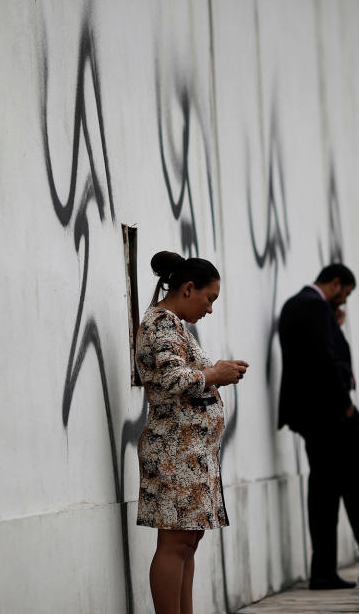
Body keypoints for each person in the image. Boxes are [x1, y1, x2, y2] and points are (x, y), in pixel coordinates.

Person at [278, 264, 359, 590]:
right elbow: (324, 360)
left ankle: (324, 571)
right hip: (333, 416)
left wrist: (334, 326)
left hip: (313, 418)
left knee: (324, 494)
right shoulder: (314, 306)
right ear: (336, 283)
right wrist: (345, 405)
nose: (346, 301)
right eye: (346, 293)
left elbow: (313, 354)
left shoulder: (296, 305)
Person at [135, 251, 248, 614]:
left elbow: (182, 376)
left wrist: (215, 372)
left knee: (187, 542)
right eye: (209, 298)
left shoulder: (174, 323)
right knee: (175, 544)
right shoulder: (162, 323)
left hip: (190, 453)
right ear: (188, 288)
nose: (210, 309)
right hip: (174, 451)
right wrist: (215, 374)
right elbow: (170, 378)